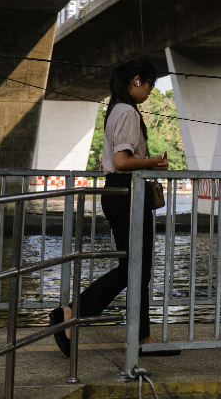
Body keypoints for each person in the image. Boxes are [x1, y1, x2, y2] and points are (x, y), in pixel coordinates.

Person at [51, 58, 177, 357]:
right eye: (149, 85)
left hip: (120, 194)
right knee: (135, 267)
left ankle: (141, 337)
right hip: (128, 195)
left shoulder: (116, 110)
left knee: (137, 268)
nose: (149, 91)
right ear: (136, 81)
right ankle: (71, 313)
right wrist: (154, 162)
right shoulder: (128, 113)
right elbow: (122, 161)